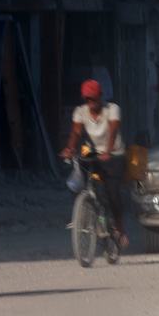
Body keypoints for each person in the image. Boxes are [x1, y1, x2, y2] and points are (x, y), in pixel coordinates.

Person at [60, 79, 128, 249]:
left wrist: (108, 151)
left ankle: (120, 230)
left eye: (93, 99)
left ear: (100, 96)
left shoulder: (112, 109)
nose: (90, 103)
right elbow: (76, 132)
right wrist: (70, 148)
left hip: (114, 154)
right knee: (81, 185)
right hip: (92, 153)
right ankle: (86, 215)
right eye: (87, 99)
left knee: (112, 194)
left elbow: (113, 130)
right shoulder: (80, 112)